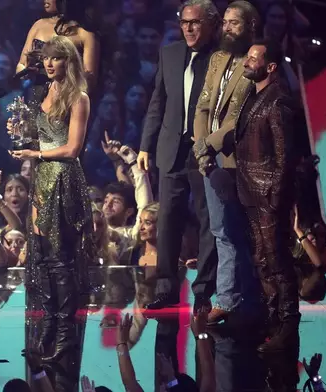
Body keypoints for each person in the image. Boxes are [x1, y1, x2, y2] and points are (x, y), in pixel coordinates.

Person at [9, 35, 94, 363]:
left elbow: (72, 149)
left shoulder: (78, 97)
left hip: (63, 179)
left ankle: (63, 333)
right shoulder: (42, 93)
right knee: (42, 254)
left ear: (67, 62)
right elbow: (40, 135)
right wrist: (23, 135)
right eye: (46, 57)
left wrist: (35, 151)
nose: (48, 63)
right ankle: (45, 327)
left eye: (55, 58)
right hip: (42, 180)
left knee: (60, 259)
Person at [137, 0, 220, 312]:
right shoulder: (169, 54)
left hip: (205, 152)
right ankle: (166, 287)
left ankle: (203, 290)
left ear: (211, 24)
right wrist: (146, 145)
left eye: (195, 22)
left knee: (207, 219)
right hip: (171, 148)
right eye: (184, 22)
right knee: (167, 220)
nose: (188, 28)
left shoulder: (221, 57)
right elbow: (157, 101)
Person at [191, 0, 260, 324]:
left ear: (250, 27)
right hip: (210, 156)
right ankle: (229, 299)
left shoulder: (256, 60)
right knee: (221, 230)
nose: (228, 28)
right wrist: (203, 149)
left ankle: (251, 297)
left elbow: (241, 115)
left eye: (235, 23)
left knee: (242, 230)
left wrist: (210, 145)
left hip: (239, 157)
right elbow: (203, 107)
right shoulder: (217, 58)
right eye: (226, 22)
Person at [235, 39, 297, 352]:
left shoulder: (279, 100)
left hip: (269, 193)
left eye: (252, 58)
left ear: (270, 66)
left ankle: (288, 324)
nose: (246, 61)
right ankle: (272, 321)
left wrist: (277, 195)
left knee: (277, 260)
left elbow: (286, 155)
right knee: (261, 259)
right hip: (250, 191)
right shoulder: (252, 94)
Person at [17, 0, 99, 90]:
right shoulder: (38, 25)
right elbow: (21, 64)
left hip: (64, 98)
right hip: (33, 95)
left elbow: (89, 81)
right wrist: (26, 73)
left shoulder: (85, 34)